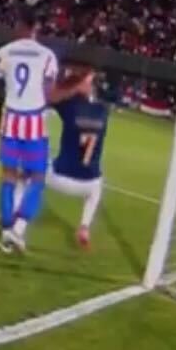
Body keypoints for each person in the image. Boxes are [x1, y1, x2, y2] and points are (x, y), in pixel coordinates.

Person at [0, 13, 59, 253]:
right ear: (36, 27)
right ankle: (19, 228)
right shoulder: (47, 55)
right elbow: (48, 92)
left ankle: (6, 229)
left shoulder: (4, 52)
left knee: (8, 175)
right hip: (34, 121)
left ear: (19, 25)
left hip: (11, 119)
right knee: (38, 177)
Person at [47, 62, 109, 249]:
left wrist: (72, 83)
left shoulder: (71, 107)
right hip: (89, 183)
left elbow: (51, 97)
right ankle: (84, 226)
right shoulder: (103, 111)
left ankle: (17, 224)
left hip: (59, 177)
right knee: (98, 185)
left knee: (28, 170)